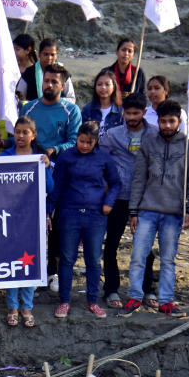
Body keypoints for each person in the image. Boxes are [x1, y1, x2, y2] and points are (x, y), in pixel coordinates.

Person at [124, 100, 189, 317]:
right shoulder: (148, 145)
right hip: (147, 210)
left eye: (171, 121)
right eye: (163, 121)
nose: (167, 125)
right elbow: (139, 179)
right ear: (157, 121)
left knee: (168, 258)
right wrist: (133, 211)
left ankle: (166, 300)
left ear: (179, 122)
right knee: (138, 255)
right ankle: (135, 296)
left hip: (174, 213)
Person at [49, 121, 121, 319]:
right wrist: (48, 212)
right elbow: (56, 186)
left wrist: (109, 202)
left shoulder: (104, 158)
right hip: (69, 213)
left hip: (95, 215)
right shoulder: (66, 157)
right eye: (81, 141)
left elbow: (115, 183)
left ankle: (93, 300)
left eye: (89, 142)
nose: (84, 145)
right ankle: (64, 301)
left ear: (96, 141)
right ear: (77, 138)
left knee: (93, 259)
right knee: (67, 258)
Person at [20, 62, 81, 293]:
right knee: (32, 222)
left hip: (59, 172)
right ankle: (32, 270)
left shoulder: (71, 110)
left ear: (62, 85)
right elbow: (21, 134)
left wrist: (53, 150)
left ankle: (53, 272)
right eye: (46, 80)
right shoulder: (29, 108)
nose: (49, 85)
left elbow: (74, 141)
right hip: (30, 173)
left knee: (55, 223)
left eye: (55, 82)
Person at [97, 94, 158, 308]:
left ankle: (147, 289)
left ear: (143, 112)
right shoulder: (112, 135)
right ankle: (111, 289)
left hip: (144, 198)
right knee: (112, 244)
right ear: (123, 112)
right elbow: (101, 162)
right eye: (128, 113)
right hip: (118, 198)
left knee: (145, 245)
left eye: (136, 113)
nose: (132, 117)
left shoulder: (155, 133)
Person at [0, 116, 53, 327]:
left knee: (31, 262)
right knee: (13, 261)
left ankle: (27, 306)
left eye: (25, 132)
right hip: (10, 217)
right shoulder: (5, 156)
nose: (20, 136)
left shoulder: (40, 158)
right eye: (17, 132)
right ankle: (12, 306)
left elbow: (49, 188)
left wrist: (46, 167)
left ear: (34, 135)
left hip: (33, 217)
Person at [15, 38, 76, 103]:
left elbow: (71, 98)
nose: (49, 58)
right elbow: (19, 97)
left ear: (56, 56)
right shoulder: (29, 73)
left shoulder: (63, 73)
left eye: (52, 55)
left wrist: (54, 102)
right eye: (46, 54)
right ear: (39, 55)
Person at [81, 70, 124, 135]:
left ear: (114, 87)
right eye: (99, 84)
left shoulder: (121, 111)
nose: (103, 87)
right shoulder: (88, 109)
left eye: (107, 84)